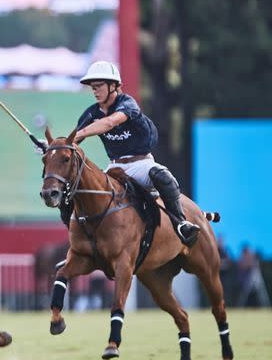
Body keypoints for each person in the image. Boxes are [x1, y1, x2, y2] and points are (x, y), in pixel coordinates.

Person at [73, 61, 201, 247]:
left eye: (99, 86)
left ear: (113, 86)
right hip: (115, 166)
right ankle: (80, 239)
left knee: (163, 176)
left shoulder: (128, 103)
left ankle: (181, 223)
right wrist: (52, 146)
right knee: (79, 187)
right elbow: (72, 141)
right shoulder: (91, 113)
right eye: (93, 87)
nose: (95, 91)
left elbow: (109, 123)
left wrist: (81, 133)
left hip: (141, 164)